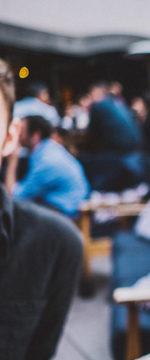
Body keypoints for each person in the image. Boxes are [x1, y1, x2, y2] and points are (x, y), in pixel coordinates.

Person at [0, 58, 83, 358]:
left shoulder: (46, 160)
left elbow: (18, 193)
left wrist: (11, 165)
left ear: (14, 137)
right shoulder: (48, 153)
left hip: (65, 210)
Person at [4, 115, 89, 217]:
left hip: (65, 211)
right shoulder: (49, 150)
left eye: (21, 131)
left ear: (36, 135)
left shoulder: (46, 161)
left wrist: (12, 161)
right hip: (66, 206)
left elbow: (14, 197)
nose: (17, 135)